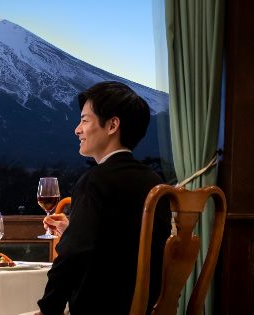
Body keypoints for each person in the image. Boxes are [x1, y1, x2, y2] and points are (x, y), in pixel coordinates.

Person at [36, 81, 172, 314]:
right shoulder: (155, 182)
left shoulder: (95, 181)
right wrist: (75, 229)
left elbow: (71, 257)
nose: (77, 129)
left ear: (112, 125)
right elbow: (125, 245)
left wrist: (49, 308)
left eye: (85, 120)